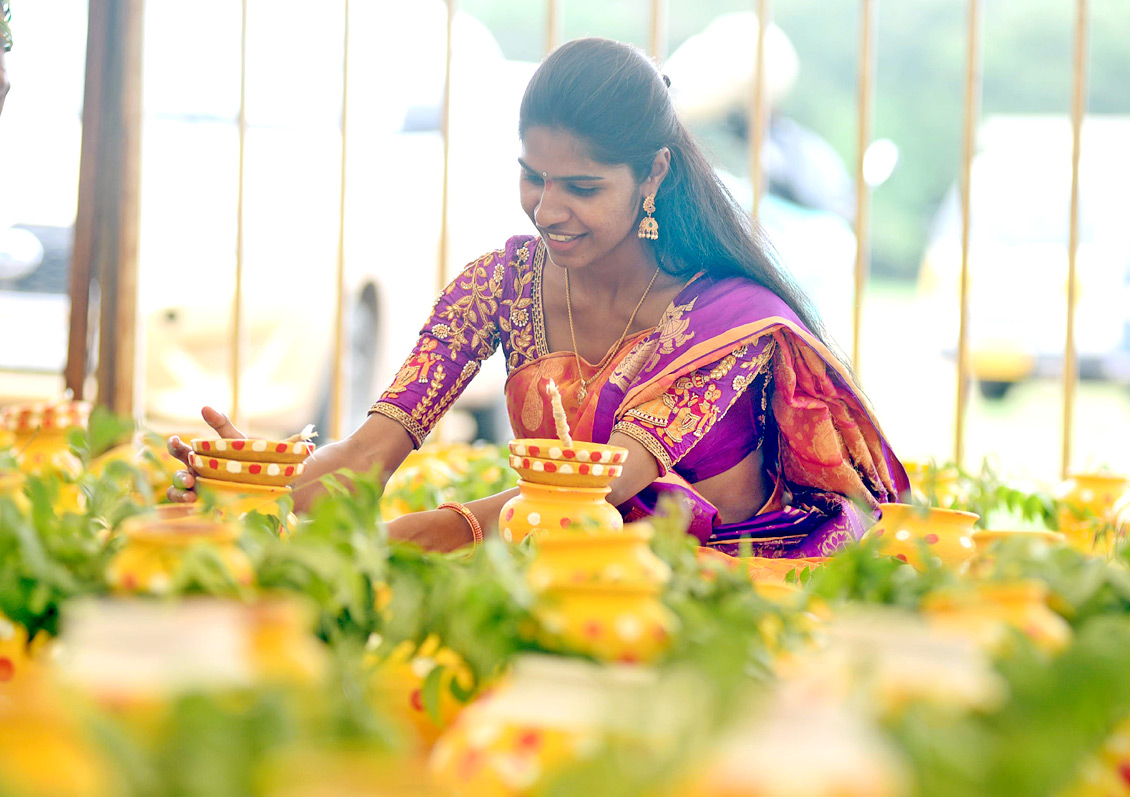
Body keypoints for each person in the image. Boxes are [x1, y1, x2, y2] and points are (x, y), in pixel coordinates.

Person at [169, 37, 907, 557]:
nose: (547, 209)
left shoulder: (726, 318)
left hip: (730, 587)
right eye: (533, 176)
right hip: (561, 563)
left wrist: (408, 536)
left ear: (652, 175)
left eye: (581, 187)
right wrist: (260, 489)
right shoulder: (504, 284)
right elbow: (369, 454)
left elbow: (587, 495)